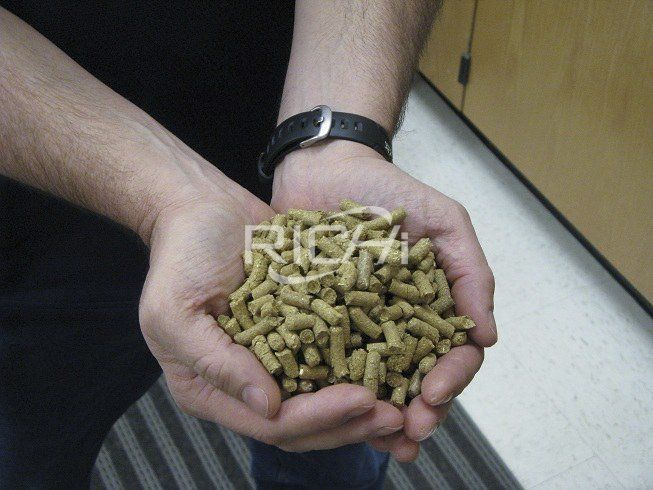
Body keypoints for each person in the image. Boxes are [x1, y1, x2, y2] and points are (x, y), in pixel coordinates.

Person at [0, 1, 497, 488]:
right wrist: (170, 198)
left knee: (345, 424)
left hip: (283, 128)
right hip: (30, 218)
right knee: (32, 453)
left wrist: (338, 135)